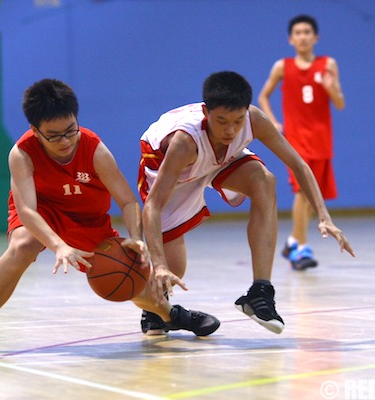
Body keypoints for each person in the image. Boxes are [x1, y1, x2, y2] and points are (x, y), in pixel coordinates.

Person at [0, 79, 218, 354]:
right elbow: (26, 210)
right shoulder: (22, 154)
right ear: (35, 130)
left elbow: (127, 201)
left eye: (70, 131)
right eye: (53, 135)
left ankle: (172, 315)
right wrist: (58, 245)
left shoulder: (93, 147)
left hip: (88, 220)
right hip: (44, 212)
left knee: (126, 275)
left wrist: (135, 239)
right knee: (22, 246)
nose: (64, 141)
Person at [138, 71, 354, 335]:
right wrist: (159, 264)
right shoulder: (184, 142)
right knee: (174, 268)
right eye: (222, 121)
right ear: (206, 112)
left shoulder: (254, 120)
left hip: (219, 159)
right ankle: (155, 311)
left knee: (265, 181)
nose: (230, 130)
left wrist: (324, 216)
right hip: (174, 169)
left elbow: (298, 164)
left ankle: (260, 292)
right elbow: (153, 207)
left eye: (237, 121)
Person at [258, 14, 345, 271]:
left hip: (321, 137)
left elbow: (340, 103)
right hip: (295, 138)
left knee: (312, 195)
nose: (303, 36)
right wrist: (272, 121)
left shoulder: (328, 64)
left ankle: (292, 241)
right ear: (290, 39)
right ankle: (301, 248)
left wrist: (331, 87)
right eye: (298, 32)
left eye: (307, 32)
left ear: (316, 37)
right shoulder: (282, 66)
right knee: (301, 191)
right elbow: (264, 96)